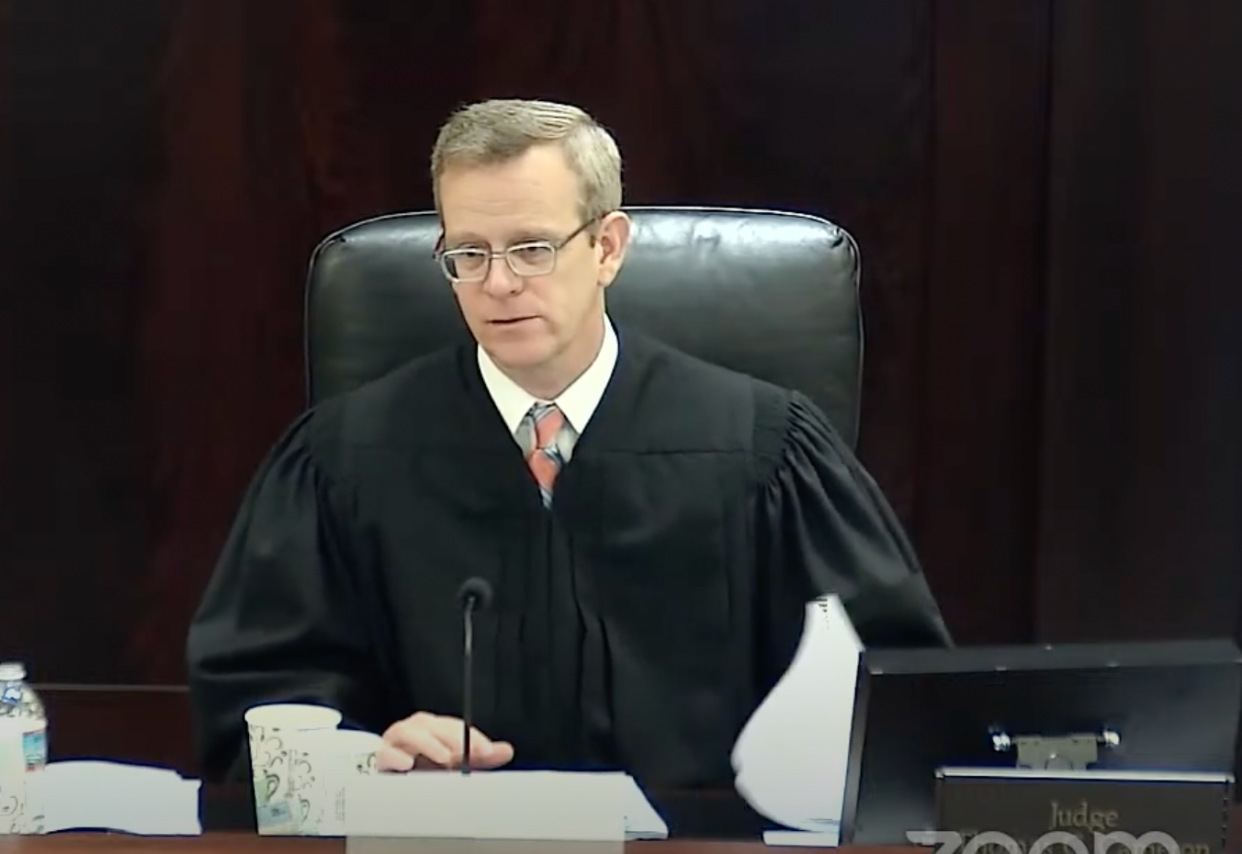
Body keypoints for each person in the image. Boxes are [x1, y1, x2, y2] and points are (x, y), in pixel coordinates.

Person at [185, 98, 951, 789]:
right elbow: (256, 698)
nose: (498, 284)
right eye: (468, 254)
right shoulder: (343, 458)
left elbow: (891, 695)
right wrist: (365, 752)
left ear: (608, 247)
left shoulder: (762, 448)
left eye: (532, 248)